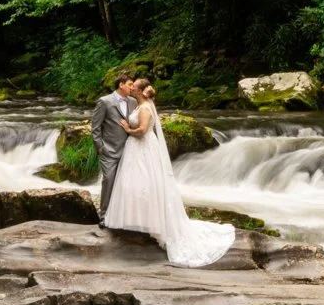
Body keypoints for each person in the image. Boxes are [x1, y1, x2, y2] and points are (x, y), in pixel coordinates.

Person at [101, 82, 236, 267]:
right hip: (135, 150)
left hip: (143, 148)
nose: (131, 88)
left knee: (147, 183)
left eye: (134, 87)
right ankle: (138, 220)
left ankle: (151, 223)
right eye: (130, 85)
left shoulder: (146, 107)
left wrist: (127, 130)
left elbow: (141, 131)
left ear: (140, 91)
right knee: (135, 183)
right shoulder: (139, 104)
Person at [89, 73, 140, 218]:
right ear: (121, 84)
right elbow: (95, 127)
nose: (132, 87)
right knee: (109, 180)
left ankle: (122, 215)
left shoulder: (133, 102)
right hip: (109, 151)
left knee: (127, 184)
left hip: (130, 150)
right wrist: (100, 148)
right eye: (130, 84)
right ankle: (104, 215)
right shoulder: (104, 102)